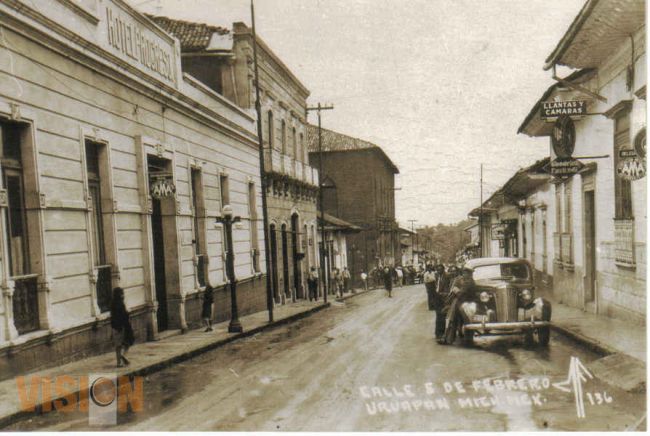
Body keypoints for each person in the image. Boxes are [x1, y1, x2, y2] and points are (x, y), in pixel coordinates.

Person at [439, 266, 477, 345]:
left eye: (465, 273)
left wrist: (456, 291)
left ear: (469, 274)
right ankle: (448, 338)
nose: (464, 275)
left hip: (467, 304)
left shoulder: (468, 282)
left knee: (453, 317)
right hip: (464, 303)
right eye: (463, 273)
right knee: (453, 317)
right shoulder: (468, 281)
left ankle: (448, 338)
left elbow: (461, 294)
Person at [110, 287, 133, 367]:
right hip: (123, 326)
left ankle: (118, 363)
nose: (123, 295)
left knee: (118, 346)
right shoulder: (121, 304)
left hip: (115, 327)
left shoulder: (112, 304)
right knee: (128, 342)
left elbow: (112, 316)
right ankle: (124, 355)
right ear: (120, 295)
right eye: (122, 293)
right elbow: (124, 315)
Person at [433, 264, 451, 340]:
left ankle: (441, 333)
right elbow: (436, 286)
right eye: (437, 270)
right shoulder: (437, 276)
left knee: (442, 316)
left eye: (440, 269)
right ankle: (437, 333)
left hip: (444, 298)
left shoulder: (447, 276)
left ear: (443, 270)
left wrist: (444, 294)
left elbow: (448, 287)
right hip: (437, 297)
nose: (438, 271)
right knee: (438, 316)